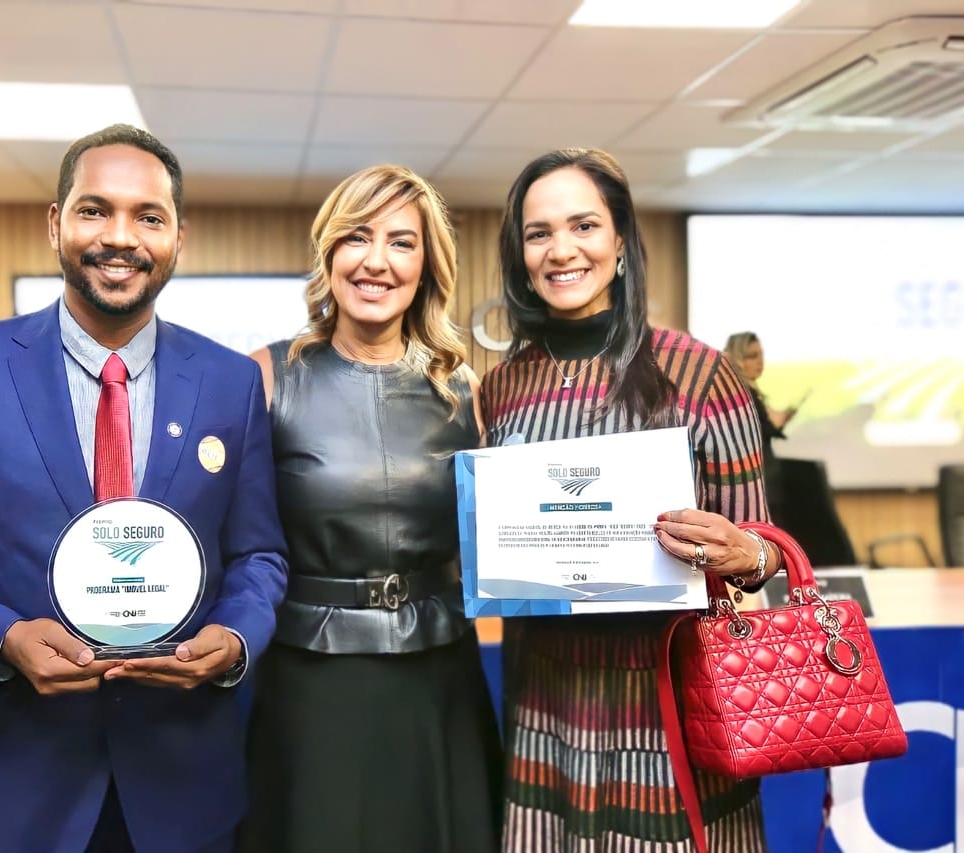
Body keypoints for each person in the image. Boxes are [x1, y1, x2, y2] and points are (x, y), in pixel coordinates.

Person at [0, 124, 288, 853]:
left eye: (149, 216)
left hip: (184, 794)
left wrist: (236, 636)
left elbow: (259, 555)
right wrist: (4, 638)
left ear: (180, 239)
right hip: (15, 793)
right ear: (56, 223)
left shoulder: (230, 382)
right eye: (95, 210)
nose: (121, 236)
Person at [480, 149, 785, 851]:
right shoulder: (502, 389)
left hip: (670, 714)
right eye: (538, 232)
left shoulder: (700, 373)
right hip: (546, 712)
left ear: (620, 241)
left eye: (584, 225)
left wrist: (745, 550)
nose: (562, 249)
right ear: (520, 252)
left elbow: (764, 548)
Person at [237, 165, 502, 853]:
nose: (376, 260)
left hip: (439, 675)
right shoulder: (265, 375)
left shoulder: (464, 387)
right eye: (357, 237)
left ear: (427, 264)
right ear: (329, 253)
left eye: (401, 242)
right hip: (313, 678)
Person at [723, 331, 796, 460]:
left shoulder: (749, 392)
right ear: (737, 358)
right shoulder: (742, 395)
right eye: (752, 356)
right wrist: (775, 423)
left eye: (761, 354)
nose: (759, 361)